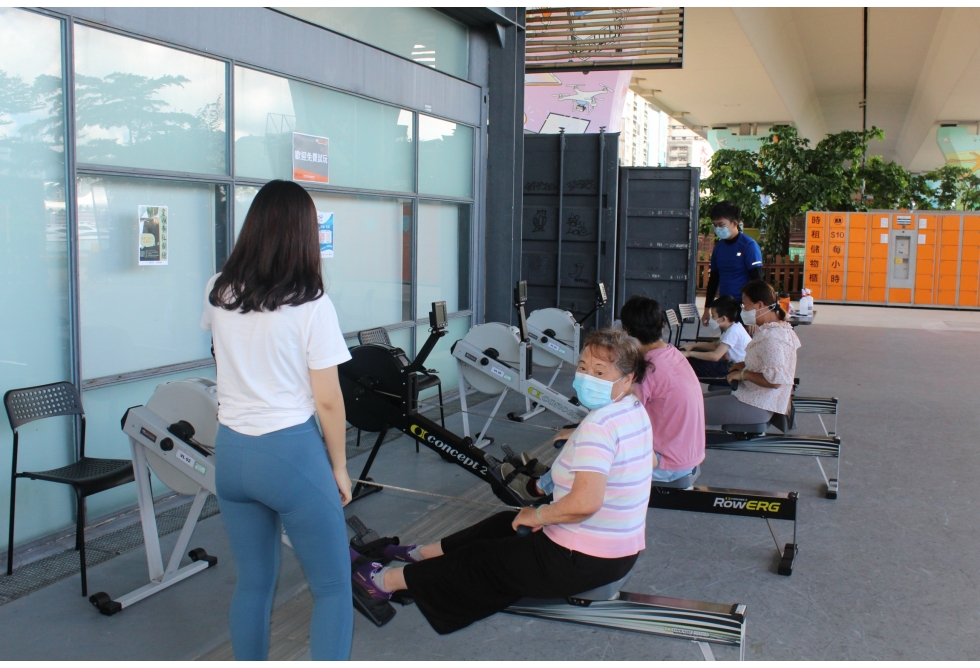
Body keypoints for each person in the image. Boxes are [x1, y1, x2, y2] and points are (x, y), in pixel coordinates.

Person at [349, 329, 653, 635]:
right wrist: (581, 440)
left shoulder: (599, 426)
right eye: (583, 367)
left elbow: (585, 503)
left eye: (599, 372)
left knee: (481, 559)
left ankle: (381, 582)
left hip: (580, 560)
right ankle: (420, 554)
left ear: (627, 379)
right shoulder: (633, 409)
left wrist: (539, 515)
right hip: (614, 554)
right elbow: (646, 458)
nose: (587, 377)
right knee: (503, 524)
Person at [201, 180, 354, 660]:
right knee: (333, 589)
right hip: (290, 453)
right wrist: (339, 467)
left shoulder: (219, 289)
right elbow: (328, 400)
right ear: (303, 235)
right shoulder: (312, 302)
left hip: (231, 452)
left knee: (252, 583)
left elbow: (221, 355)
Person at [619, 295, 705, 482]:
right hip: (688, 456)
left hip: (666, 464)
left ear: (626, 332)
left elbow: (620, 420)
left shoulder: (647, 369)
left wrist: (581, 432)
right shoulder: (673, 354)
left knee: (585, 463)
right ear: (662, 327)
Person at [703, 280, 801, 426]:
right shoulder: (777, 328)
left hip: (758, 404)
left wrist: (743, 374)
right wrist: (744, 365)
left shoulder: (773, 338)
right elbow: (767, 362)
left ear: (760, 305)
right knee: (695, 400)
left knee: (689, 409)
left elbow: (775, 381)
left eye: (745, 305)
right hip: (750, 395)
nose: (743, 310)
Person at [701, 201, 765, 328]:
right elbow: (714, 280)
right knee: (726, 339)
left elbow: (757, 281)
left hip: (744, 307)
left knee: (743, 340)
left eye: (721, 225)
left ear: (735, 223)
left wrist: (755, 314)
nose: (717, 229)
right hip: (724, 307)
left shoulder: (748, 245)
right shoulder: (718, 248)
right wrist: (707, 308)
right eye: (715, 225)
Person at [680, 295, 751, 380]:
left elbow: (715, 356)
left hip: (734, 371)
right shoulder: (733, 328)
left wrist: (689, 353)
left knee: (688, 362)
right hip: (732, 366)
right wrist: (692, 346)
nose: (711, 319)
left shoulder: (733, 332)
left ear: (723, 319)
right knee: (693, 359)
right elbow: (715, 345)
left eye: (713, 316)